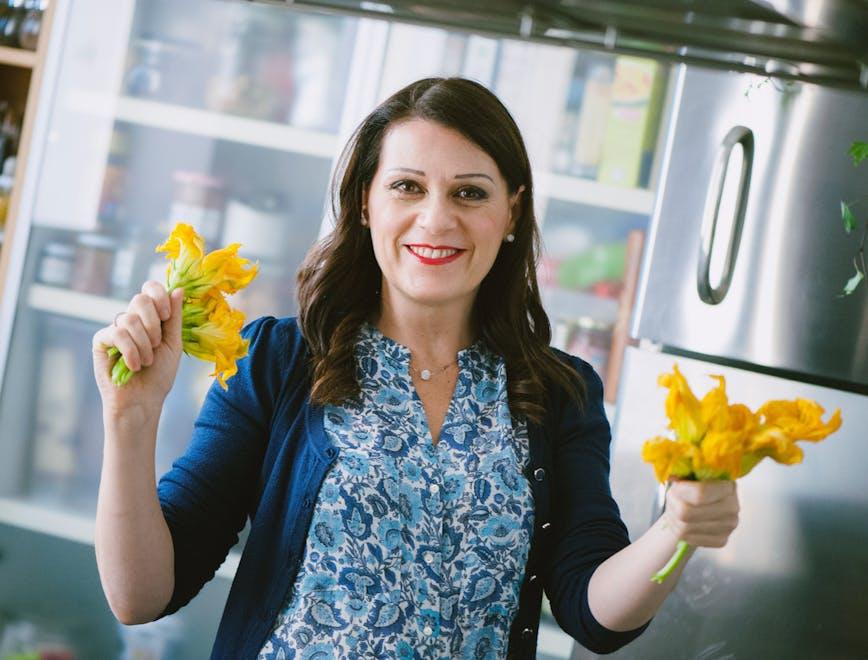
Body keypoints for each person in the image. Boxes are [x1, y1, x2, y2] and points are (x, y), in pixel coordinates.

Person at [91, 77, 740, 659]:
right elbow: (143, 595)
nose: (437, 218)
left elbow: (592, 612)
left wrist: (676, 533)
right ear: (367, 199)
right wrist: (131, 419)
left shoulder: (561, 393)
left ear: (510, 212)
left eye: (469, 192)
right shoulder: (280, 361)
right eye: (408, 185)